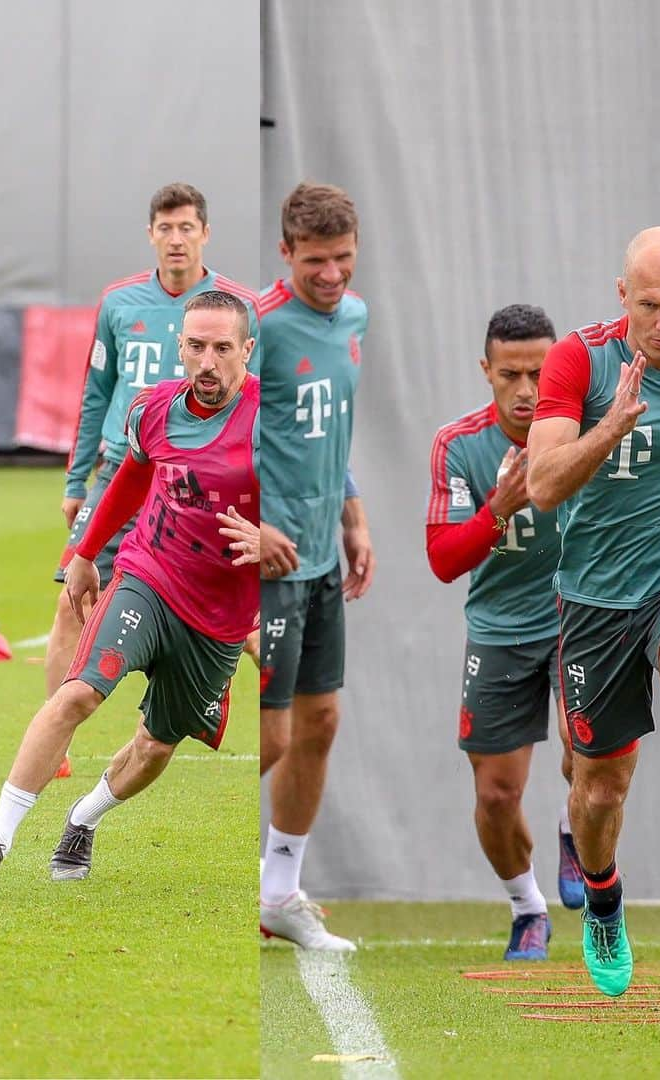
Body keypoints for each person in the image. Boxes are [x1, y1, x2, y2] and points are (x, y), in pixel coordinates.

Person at [0, 290, 258, 887]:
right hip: (150, 576)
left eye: (223, 348)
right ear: (180, 346)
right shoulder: (153, 409)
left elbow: (304, 509)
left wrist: (269, 536)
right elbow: (129, 480)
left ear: (246, 349)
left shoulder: (272, 420)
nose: (208, 362)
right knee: (78, 696)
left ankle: (82, 819)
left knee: (155, 748)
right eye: (196, 346)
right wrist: (86, 553)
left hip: (221, 615)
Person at [528, 226, 660, 997]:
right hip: (597, 598)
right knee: (600, 786)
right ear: (623, 298)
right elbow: (543, 485)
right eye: (650, 304)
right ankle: (603, 903)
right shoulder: (580, 361)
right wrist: (610, 427)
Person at [45, 183, 259, 707]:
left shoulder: (235, 308)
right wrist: (78, 479)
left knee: (250, 614)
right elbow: (96, 392)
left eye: (187, 227)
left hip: (206, 479)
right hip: (125, 466)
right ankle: (57, 747)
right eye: (165, 228)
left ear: (205, 233)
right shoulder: (119, 301)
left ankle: (283, 703)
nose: (176, 239)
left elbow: (261, 403)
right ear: (151, 235)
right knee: (71, 596)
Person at [426, 304, 582, 963]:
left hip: (583, 615)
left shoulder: (588, 430)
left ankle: (576, 829)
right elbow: (443, 560)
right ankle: (527, 908)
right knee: (495, 795)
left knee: (592, 753)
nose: (526, 390)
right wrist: (498, 510)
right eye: (511, 374)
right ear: (486, 371)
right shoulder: (459, 445)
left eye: (540, 375)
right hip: (500, 628)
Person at [257, 182, 374, 951]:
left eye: (343, 259)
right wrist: (249, 519)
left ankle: (280, 893)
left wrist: (353, 513)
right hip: (267, 562)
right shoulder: (257, 329)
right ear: (286, 253)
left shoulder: (356, 318)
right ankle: (102, 820)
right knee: (267, 739)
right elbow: (218, 433)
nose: (331, 275)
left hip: (324, 555)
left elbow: (329, 432)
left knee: (321, 723)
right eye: (316, 261)